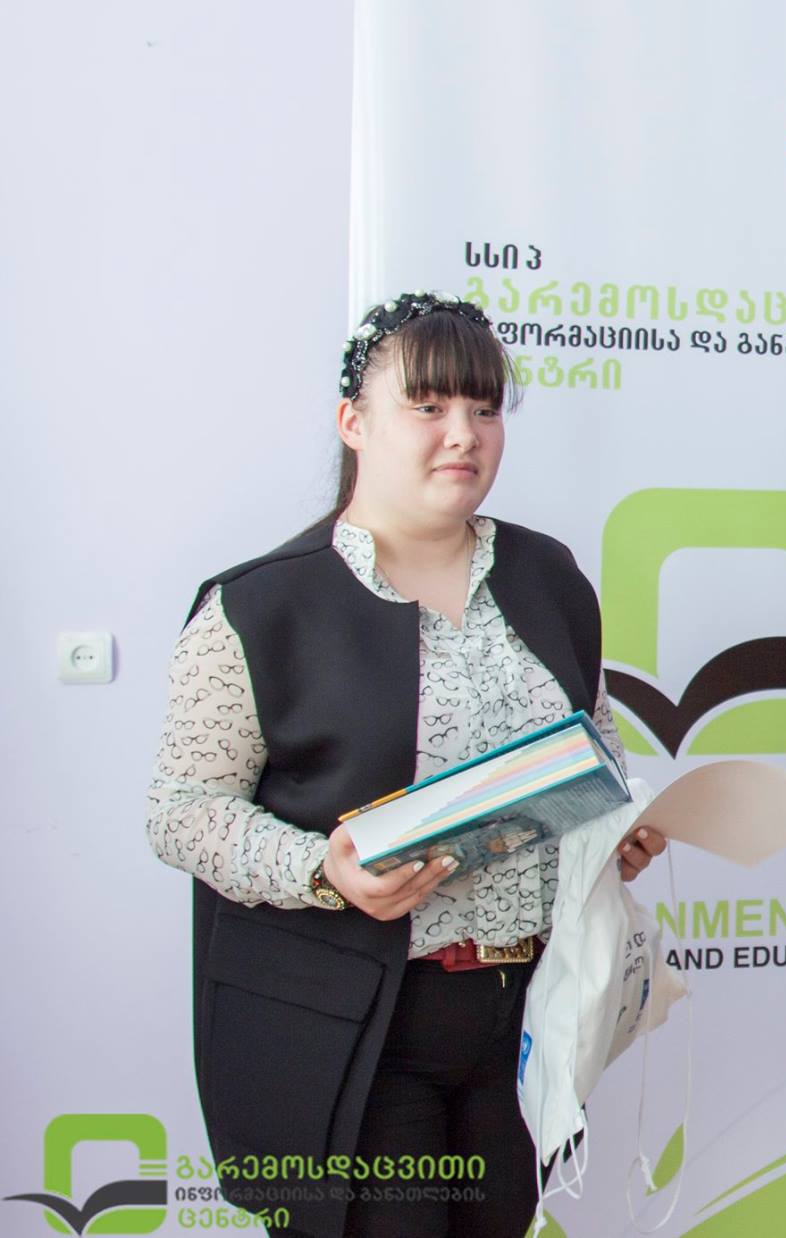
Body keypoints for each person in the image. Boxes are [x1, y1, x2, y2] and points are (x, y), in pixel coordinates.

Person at [145, 291, 666, 1238]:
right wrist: (322, 868)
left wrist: (613, 828)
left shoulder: (549, 578)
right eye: (428, 407)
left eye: (484, 408)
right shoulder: (259, 606)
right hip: (353, 1032)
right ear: (354, 422)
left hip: (522, 1019)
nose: (463, 434)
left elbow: (592, 743)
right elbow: (182, 810)